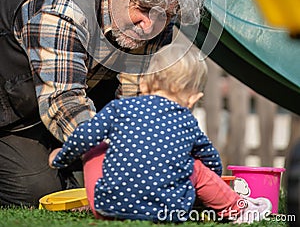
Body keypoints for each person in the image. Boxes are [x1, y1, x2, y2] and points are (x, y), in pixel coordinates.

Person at [0, 0, 204, 207]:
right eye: (142, 9)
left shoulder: (154, 18)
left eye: (164, 15)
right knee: (37, 191)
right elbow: (63, 101)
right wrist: (127, 154)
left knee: (100, 184)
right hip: (12, 109)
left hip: (70, 96)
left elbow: (137, 96)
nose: (149, 26)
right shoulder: (58, 7)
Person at [49, 44, 271, 223]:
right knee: (195, 166)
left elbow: (85, 135)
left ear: (143, 85)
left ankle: (108, 197)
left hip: (109, 208)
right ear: (193, 99)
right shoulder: (187, 121)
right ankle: (236, 209)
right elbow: (210, 160)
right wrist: (208, 182)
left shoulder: (120, 109)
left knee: (96, 148)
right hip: (169, 211)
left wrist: (62, 157)